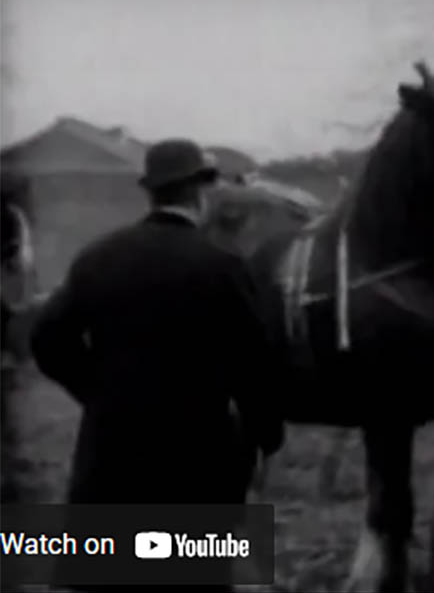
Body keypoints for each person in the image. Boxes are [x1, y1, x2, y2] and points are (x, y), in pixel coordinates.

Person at [31, 138, 283, 510]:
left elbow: (47, 340)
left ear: (151, 193)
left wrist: (98, 392)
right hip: (198, 458)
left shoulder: (98, 256)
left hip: (111, 454)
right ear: (201, 191)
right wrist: (266, 438)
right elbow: (253, 364)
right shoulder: (221, 266)